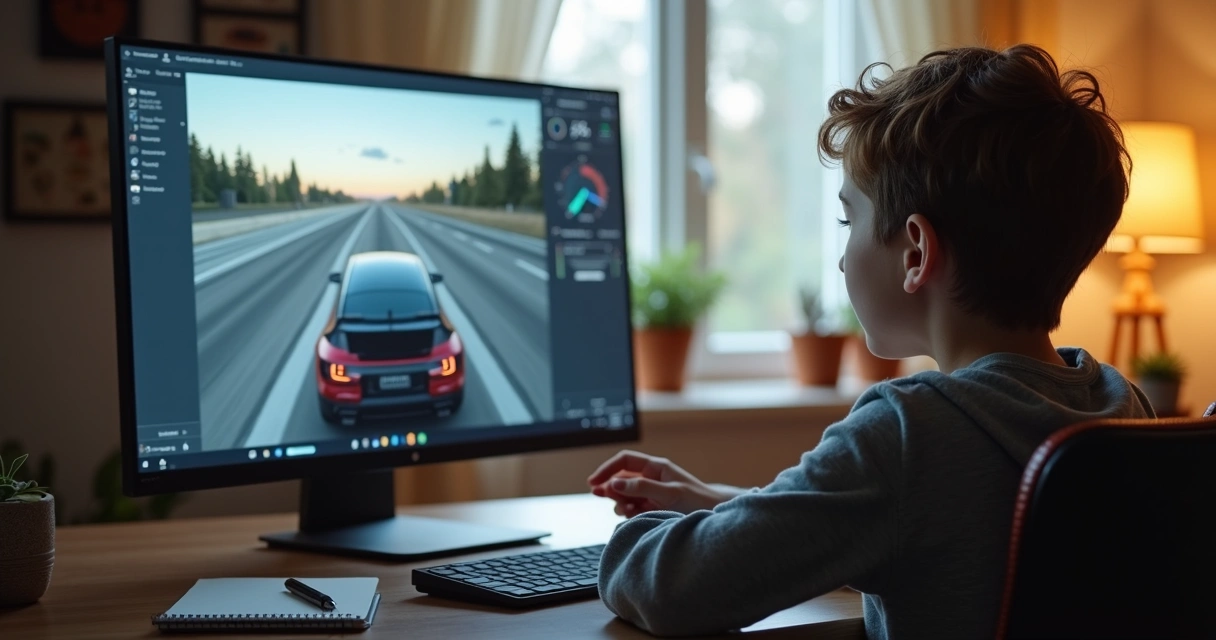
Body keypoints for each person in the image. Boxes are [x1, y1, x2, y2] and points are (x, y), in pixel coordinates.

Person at [589, 43, 1153, 639]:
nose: (840, 260)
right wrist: (722, 506)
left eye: (848, 220)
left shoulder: (912, 432)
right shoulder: (1122, 408)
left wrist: (633, 536)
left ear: (916, 252)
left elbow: (672, 588)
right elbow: (926, 535)